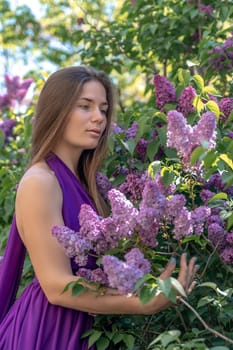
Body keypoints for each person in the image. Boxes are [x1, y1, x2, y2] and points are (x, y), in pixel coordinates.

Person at [0, 66, 198, 350]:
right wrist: (143, 302)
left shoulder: (85, 185)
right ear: (56, 110)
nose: (99, 118)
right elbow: (56, 287)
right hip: (47, 332)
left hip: (86, 330)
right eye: (85, 106)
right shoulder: (40, 181)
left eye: (103, 109)